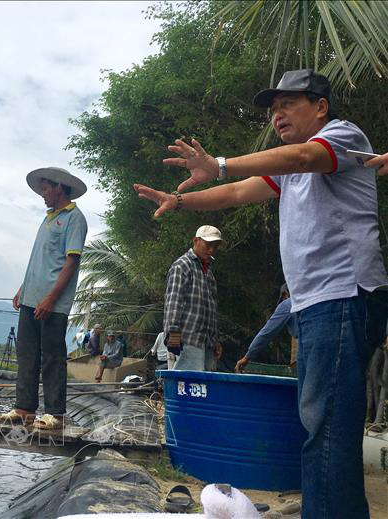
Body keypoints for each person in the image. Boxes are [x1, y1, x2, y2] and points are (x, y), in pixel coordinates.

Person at [133, 69, 388, 519]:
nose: (277, 115)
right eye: (273, 110)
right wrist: (181, 201)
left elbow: (302, 159)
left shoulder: (340, 137)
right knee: (319, 423)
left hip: (344, 296)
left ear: (321, 106)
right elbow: (234, 192)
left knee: (326, 428)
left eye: (288, 104)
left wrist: (221, 163)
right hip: (315, 305)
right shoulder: (288, 169)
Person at [0, 167, 88, 430]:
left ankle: (55, 413)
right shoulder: (48, 218)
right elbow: (42, 259)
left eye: (46, 188)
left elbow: (71, 262)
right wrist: (23, 288)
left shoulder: (74, 218)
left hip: (52, 302)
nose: (43, 194)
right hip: (30, 297)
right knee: (27, 354)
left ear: (59, 187)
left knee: (52, 355)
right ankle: (24, 408)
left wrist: (50, 298)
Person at [164, 225, 224, 372]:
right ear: (196, 240)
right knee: (188, 384)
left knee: (206, 386)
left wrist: (215, 340)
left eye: (215, 246)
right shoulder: (182, 266)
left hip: (207, 341)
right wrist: (173, 332)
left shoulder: (208, 272)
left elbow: (212, 309)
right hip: (189, 339)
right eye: (208, 245)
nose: (211, 250)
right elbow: (174, 301)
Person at [235, 284, 298, 373]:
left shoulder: (288, 304)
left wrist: (247, 357)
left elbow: (266, 334)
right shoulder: (312, 300)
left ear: (284, 295)